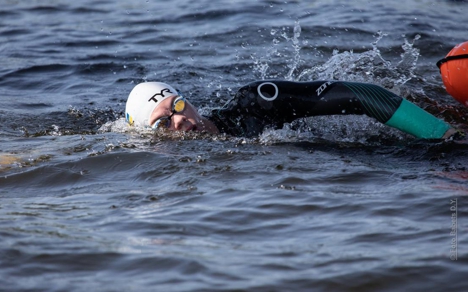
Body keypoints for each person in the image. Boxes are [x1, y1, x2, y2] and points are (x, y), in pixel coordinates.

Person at [125, 80, 457, 139]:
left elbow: (360, 94)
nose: (181, 120)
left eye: (178, 106)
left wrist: (443, 135)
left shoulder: (256, 104)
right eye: (163, 125)